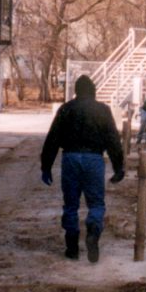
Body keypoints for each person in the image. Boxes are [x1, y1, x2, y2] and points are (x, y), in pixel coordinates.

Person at [40, 74, 125, 263]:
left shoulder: (66, 109)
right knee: (96, 203)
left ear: (76, 91)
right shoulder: (102, 110)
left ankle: (72, 248)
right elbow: (113, 139)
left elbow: (52, 138)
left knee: (70, 205)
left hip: (70, 158)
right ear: (93, 91)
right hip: (94, 159)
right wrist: (119, 167)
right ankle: (93, 232)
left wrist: (46, 166)